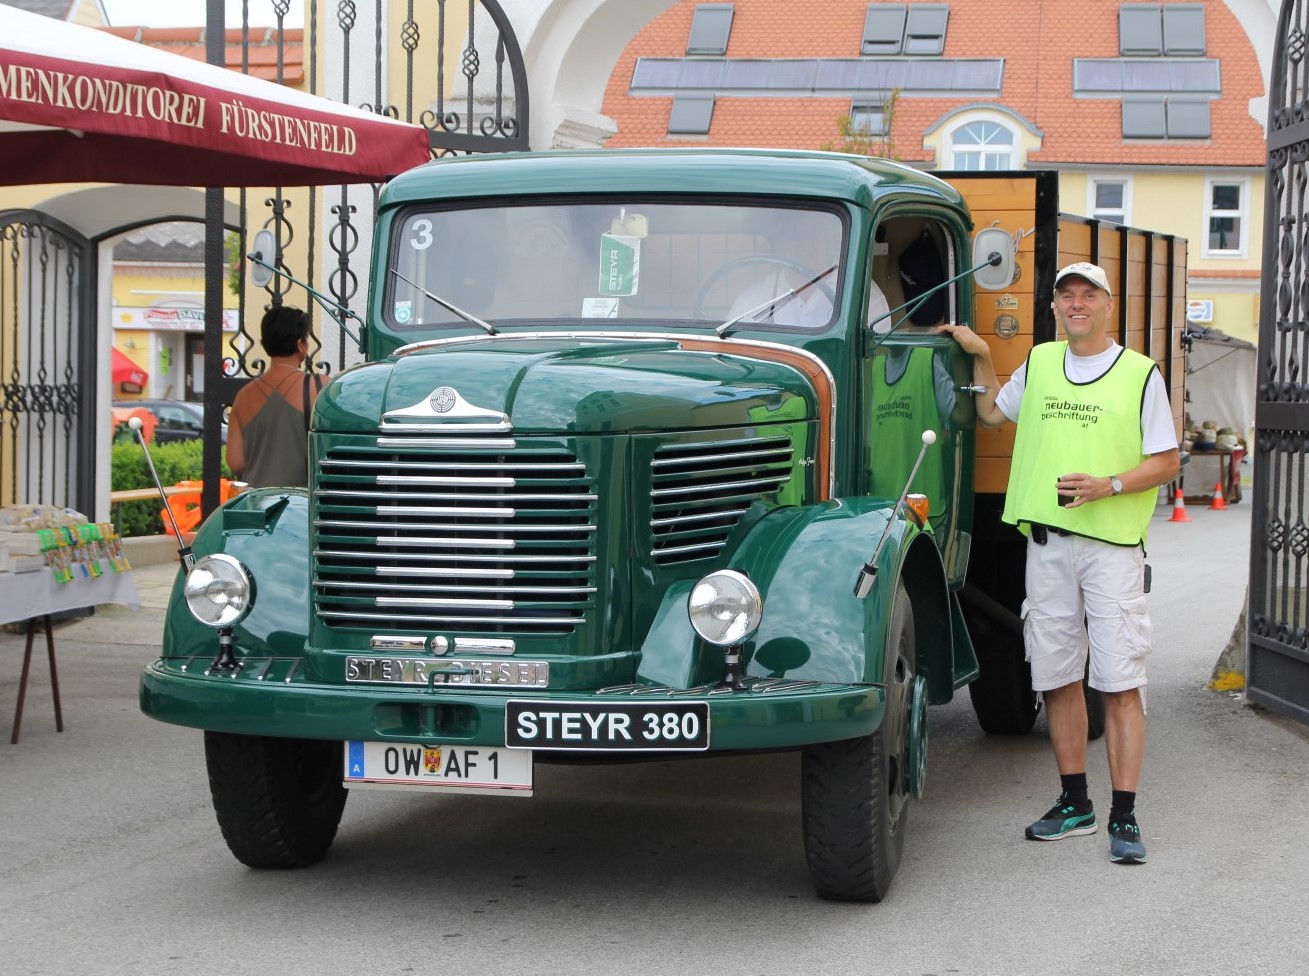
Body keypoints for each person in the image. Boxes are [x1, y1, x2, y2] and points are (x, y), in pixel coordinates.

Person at [939, 262, 1180, 865]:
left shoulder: (1138, 374)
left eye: (1088, 295)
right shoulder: (1042, 362)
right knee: (1055, 676)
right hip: (1046, 545)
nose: (1076, 304)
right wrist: (977, 353)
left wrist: (1110, 484)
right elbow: (995, 414)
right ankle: (1075, 803)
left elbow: (1168, 460)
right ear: (1056, 308)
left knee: (1120, 680)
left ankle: (1124, 816)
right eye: (1066, 296)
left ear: (1107, 306)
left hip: (1110, 549)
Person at [225, 306, 324, 488]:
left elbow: (236, 462)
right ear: (300, 344)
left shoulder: (243, 396)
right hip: (301, 505)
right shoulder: (320, 387)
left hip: (257, 505)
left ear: (264, 344)